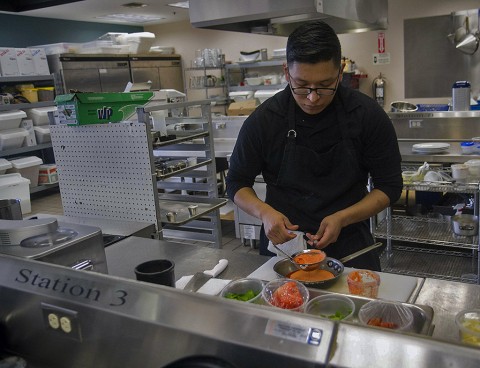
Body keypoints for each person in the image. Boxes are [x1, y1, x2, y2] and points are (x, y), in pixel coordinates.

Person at [225, 21, 403, 271]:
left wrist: (343, 217)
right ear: (286, 72)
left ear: (340, 73)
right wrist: (265, 213)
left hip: (351, 247)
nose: (312, 97)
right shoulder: (264, 120)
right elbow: (236, 183)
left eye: (324, 85)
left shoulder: (367, 115)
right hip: (285, 250)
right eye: (301, 85)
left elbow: (390, 186)